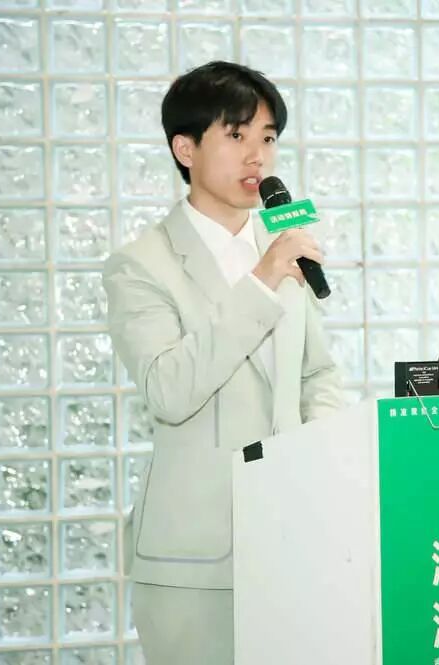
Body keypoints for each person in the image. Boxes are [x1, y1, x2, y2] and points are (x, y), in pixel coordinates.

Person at [103, 60, 343, 664]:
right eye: (236, 135)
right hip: (195, 560)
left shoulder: (282, 245)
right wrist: (261, 282)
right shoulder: (141, 264)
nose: (257, 156)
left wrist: (322, 463)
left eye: (268, 137)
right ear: (185, 148)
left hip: (291, 539)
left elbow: (317, 373)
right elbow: (169, 390)